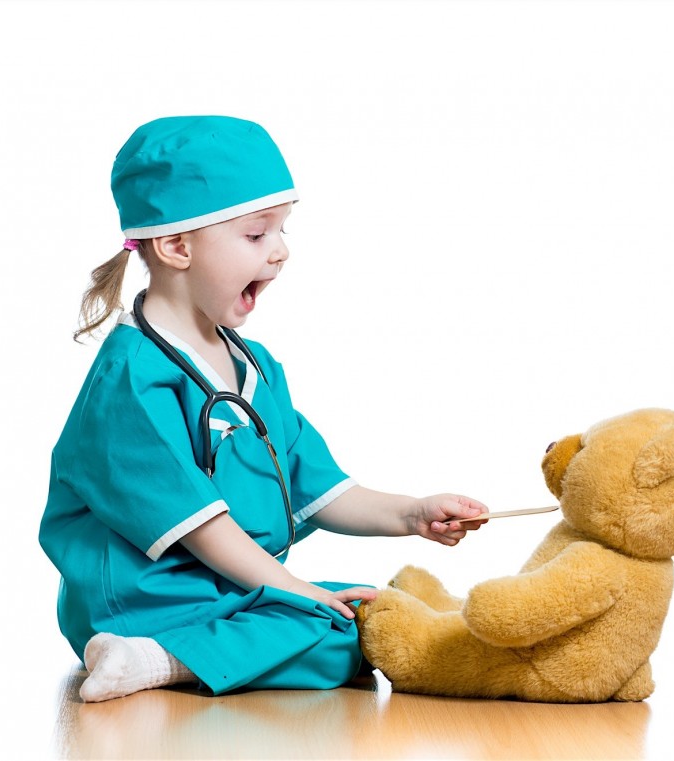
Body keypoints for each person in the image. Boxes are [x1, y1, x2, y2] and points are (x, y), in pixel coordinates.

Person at [39, 115, 488, 703]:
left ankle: (185, 656)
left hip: (222, 590)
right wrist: (295, 589)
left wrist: (412, 514)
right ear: (176, 246)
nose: (280, 252)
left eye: (282, 230)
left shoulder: (256, 368)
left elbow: (317, 486)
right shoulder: (132, 379)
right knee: (334, 628)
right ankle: (150, 656)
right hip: (143, 600)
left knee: (365, 613)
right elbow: (201, 527)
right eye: (256, 235)